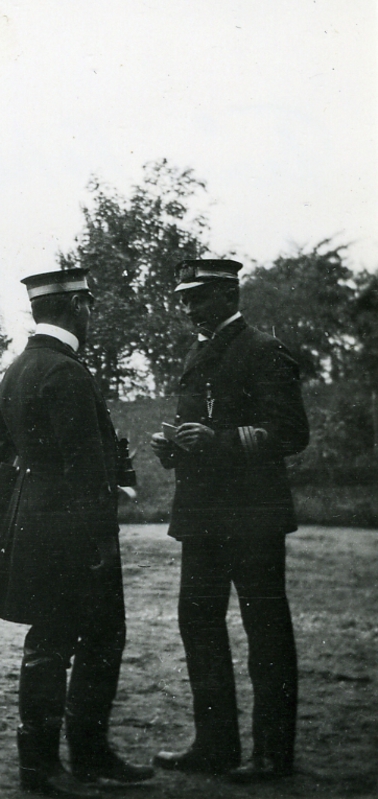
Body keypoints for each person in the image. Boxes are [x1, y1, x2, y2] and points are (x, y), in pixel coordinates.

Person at [0, 268, 153, 798]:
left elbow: (6, 457)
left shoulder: (17, 370)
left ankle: (72, 758)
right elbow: (83, 470)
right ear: (77, 308)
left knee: (54, 640)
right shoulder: (67, 373)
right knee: (94, 638)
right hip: (74, 533)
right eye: (89, 306)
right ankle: (63, 762)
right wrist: (104, 536)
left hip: (34, 524)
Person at [150, 258, 309, 783]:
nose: (188, 308)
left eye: (197, 298)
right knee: (198, 623)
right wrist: (172, 447)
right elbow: (200, 425)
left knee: (265, 629)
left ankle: (271, 754)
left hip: (252, 515)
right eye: (185, 299)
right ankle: (215, 745)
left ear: (227, 294)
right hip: (201, 516)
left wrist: (218, 442)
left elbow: (290, 432)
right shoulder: (199, 354)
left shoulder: (264, 350)